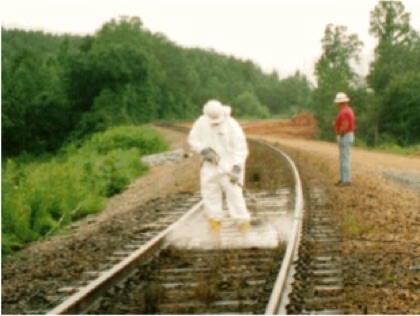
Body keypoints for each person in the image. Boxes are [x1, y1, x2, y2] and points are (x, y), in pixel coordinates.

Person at [188, 99, 251, 234]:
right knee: (210, 197)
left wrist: (237, 168)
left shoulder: (232, 125)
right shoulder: (201, 123)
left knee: (235, 197)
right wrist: (204, 150)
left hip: (230, 167)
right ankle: (215, 231)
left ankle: (244, 230)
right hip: (210, 166)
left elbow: (241, 149)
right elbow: (193, 140)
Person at [333, 92, 355, 186]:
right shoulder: (347, 110)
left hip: (345, 136)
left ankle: (346, 180)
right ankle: (343, 178)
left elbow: (345, 125)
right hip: (347, 135)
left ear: (340, 102)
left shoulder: (344, 112)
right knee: (343, 158)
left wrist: (340, 134)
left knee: (344, 158)